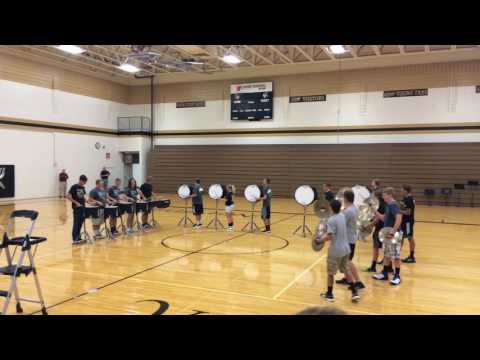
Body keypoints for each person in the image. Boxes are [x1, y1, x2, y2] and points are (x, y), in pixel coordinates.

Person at [313, 199, 360, 303]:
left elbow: (330, 236)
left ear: (331, 208)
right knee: (346, 270)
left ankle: (329, 295)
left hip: (336, 251)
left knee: (330, 273)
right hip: (346, 248)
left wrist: (319, 240)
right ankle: (354, 292)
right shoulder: (342, 216)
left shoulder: (332, 220)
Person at [373, 187, 403, 285]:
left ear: (389, 195)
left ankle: (397, 276)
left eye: (384, 195)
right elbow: (383, 218)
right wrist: (374, 210)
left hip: (393, 234)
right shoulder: (388, 205)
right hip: (387, 233)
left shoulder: (393, 205)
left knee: (396, 256)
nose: (383, 196)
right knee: (386, 255)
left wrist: (393, 232)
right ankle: (384, 273)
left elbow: (399, 218)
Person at [336, 190, 365, 290]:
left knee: (347, 261)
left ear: (345, 198)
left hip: (347, 240)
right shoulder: (353, 208)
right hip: (350, 238)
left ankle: (358, 281)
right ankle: (347, 278)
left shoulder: (348, 211)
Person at [364, 189, 387, 273]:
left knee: (376, 248)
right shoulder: (384, 203)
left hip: (380, 229)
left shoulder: (380, 205)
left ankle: (373, 266)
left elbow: (377, 219)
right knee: (385, 248)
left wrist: (368, 226)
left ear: (376, 196)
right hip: (384, 228)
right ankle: (389, 267)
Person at [66, 175, 88, 245]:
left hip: (82, 207)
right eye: (83, 182)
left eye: (85, 182)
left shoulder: (83, 187)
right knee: (76, 223)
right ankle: (75, 238)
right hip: (76, 208)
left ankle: (78, 237)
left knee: (80, 223)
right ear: (80, 180)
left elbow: (82, 197)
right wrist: (76, 202)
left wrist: (87, 201)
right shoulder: (74, 187)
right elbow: (68, 196)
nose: (84, 184)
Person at [400, 184, 416, 263]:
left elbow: (408, 212)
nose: (401, 192)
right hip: (403, 221)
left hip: (408, 222)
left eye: (402, 190)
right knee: (401, 237)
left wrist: (399, 211)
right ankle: (397, 254)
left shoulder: (409, 199)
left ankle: (412, 256)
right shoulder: (405, 198)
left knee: (410, 237)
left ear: (406, 191)